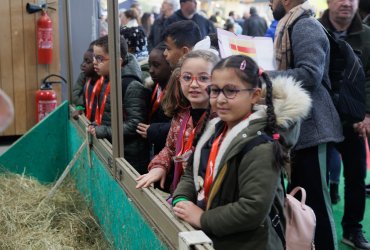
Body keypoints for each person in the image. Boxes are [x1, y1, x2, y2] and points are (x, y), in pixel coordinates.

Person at [172, 55, 311, 249]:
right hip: (215, 236)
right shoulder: (215, 129)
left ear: (255, 95)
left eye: (231, 91)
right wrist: (181, 200)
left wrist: (203, 218)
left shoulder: (261, 147)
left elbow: (252, 209)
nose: (220, 99)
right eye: (215, 90)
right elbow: (192, 173)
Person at [268, 0, 344, 249]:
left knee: (316, 205)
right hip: (300, 127)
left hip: (313, 128)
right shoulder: (290, 25)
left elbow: (311, 74)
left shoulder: (304, 25)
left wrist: (263, 77)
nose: (269, 2)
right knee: (301, 202)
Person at [319, 0, 370, 248]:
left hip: (353, 119)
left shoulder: (367, 36)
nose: (346, 3)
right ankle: (309, 228)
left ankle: (352, 229)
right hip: (318, 117)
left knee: (357, 175)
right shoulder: (313, 29)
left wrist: (367, 114)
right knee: (310, 175)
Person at [135, 50, 219, 194]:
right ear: (179, 79)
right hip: (181, 193)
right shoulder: (181, 115)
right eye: (187, 77)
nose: (193, 84)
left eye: (203, 78)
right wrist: (159, 167)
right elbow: (170, 148)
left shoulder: (221, 122)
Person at [88, 35, 150, 174]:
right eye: (94, 57)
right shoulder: (106, 79)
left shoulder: (131, 85)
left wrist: (103, 131)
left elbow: (136, 125)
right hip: (114, 150)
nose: (94, 63)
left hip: (129, 159)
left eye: (100, 59)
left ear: (118, 62)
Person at [136, 42, 172, 158]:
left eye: (156, 65)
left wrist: (154, 130)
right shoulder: (153, 87)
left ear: (170, 65)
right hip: (155, 147)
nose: (151, 70)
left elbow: (177, 127)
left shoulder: (175, 93)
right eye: (150, 65)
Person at [71, 42, 99, 120]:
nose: (83, 64)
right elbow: (75, 97)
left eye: (88, 62)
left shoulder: (103, 80)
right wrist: (82, 106)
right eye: (84, 61)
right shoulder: (84, 77)